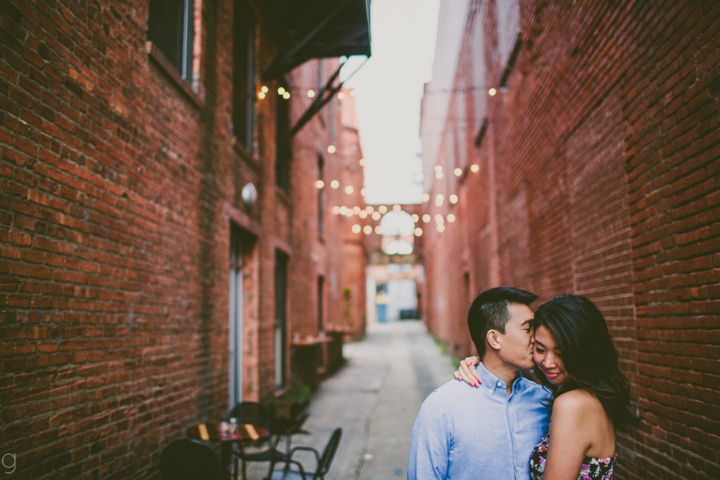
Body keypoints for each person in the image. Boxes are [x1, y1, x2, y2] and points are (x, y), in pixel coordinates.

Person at [454, 294, 634, 479]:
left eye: (561, 353)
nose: (548, 362)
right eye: (540, 349)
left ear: (584, 351)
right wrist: (485, 365)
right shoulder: (593, 397)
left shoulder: (571, 405)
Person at [407, 287, 553, 479]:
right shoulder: (442, 408)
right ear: (494, 338)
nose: (536, 338)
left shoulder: (546, 400)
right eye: (528, 329)